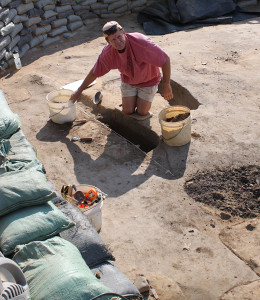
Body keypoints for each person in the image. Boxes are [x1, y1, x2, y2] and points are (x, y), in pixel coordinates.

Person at [70, 21, 173, 118]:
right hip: (129, 81)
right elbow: (94, 72)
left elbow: (165, 60)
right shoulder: (107, 54)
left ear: (124, 33)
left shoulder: (141, 42)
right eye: (113, 40)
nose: (118, 42)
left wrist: (166, 84)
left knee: (142, 112)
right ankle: (132, 101)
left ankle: (142, 103)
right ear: (108, 41)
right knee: (128, 110)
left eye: (119, 37)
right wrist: (79, 90)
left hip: (149, 81)